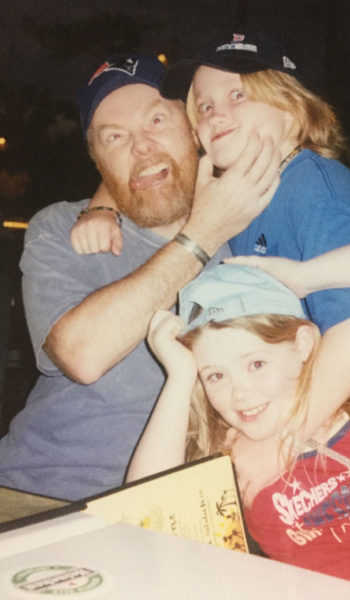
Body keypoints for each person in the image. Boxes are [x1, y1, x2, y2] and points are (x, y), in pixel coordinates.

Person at [72, 30, 350, 446]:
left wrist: (283, 444)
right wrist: (102, 205)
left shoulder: (315, 190)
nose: (215, 115)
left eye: (238, 96)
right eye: (204, 107)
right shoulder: (243, 196)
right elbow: (141, 168)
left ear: (292, 108)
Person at [127, 224, 350, 599]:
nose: (239, 394)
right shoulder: (232, 449)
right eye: (216, 375)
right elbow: (144, 525)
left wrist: (306, 277)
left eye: (256, 364)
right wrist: (179, 376)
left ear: (303, 344)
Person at [0, 55, 281, 500]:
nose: (141, 146)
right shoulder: (61, 229)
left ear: (193, 129)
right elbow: (82, 356)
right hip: (44, 493)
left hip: (192, 509)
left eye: (157, 120)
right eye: (115, 137)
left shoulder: (254, 227)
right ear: (99, 163)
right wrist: (200, 237)